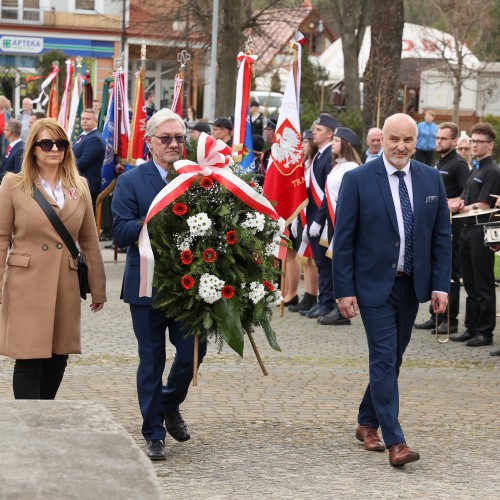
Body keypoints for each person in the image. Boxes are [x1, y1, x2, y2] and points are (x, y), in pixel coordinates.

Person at [333, 113, 451, 467]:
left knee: (392, 359)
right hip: (373, 287)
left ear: (417, 142)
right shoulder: (358, 180)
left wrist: (440, 286)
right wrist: (344, 290)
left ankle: (366, 422)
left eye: (408, 140)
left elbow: (441, 238)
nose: (401, 147)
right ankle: (395, 441)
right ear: (381, 139)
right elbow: (344, 241)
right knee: (384, 357)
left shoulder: (431, 179)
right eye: (394, 139)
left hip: (411, 286)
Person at [112, 108, 207, 461]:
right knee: (151, 360)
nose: (173, 144)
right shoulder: (131, 182)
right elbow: (120, 231)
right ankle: (153, 432)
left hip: (189, 288)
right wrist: (157, 217)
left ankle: (169, 403)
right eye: (165, 138)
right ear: (149, 142)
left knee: (192, 354)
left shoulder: (198, 177)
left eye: (179, 138)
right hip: (146, 285)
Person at [0, 118, 106, 400]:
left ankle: (46, 417)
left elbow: (90, 242)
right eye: (46, 144)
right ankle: (31, 425)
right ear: (33, 149)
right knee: (29, 358)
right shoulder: (13, 185)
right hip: (26, 284)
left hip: (65, 284)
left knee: (59, 358)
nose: (54, 149)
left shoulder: (79, 186)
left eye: (61, 144)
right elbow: (1, 238)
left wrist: (98, 288)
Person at [414, 122, 470, 334]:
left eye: (443, 138)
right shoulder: (440, 163)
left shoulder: (458, 164)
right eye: (437, 138)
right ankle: (435, 316)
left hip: (452, 226)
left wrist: (450, 202)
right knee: (434, 269)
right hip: (435, 225)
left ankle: (450, 320)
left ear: (454, 141)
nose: (438, 141)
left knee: (450, 273)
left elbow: (467, 195)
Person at [449, 122, 500, 348]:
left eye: (479, 142)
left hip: (482, 229)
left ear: (490, 144)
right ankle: (471, 327)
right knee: (469, 283)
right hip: (467, 229)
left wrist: (461, 208)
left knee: (483, 283)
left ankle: (485, 331)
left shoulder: (492, 170)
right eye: (473, 141)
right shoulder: (475, 169)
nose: (474, 145)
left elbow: (484, 204)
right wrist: (458, 201)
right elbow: (467, 196)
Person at [316, 127, 361, 326]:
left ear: (347, 144)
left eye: (336, 140)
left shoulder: (351, 167)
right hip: (332, 221)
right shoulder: (337, 166)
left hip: (342, 220)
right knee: (331, 265)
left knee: (340, 264)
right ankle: (333, 304)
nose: (333, 144)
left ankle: (341, 309)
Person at [301, 114, 339, 319]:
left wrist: (318, 220)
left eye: (318, 129)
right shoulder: (319, 155)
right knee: (319, 262)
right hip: (315, 217)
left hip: (324, 220)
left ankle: (328, 302)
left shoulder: (329, 156)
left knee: (325, 263)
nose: (314, 132)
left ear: (330, 133)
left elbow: (327, 193)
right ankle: (323, 301)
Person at [72, 109, 105, 213]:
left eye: (88, 119)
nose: (84, 121)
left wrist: (64, 165)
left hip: (88, 185)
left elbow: (83, 162)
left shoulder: (95, 139)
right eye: (82, 118)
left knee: (87, 217)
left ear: (95, 121)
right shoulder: (83, 136)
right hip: (78, 183)